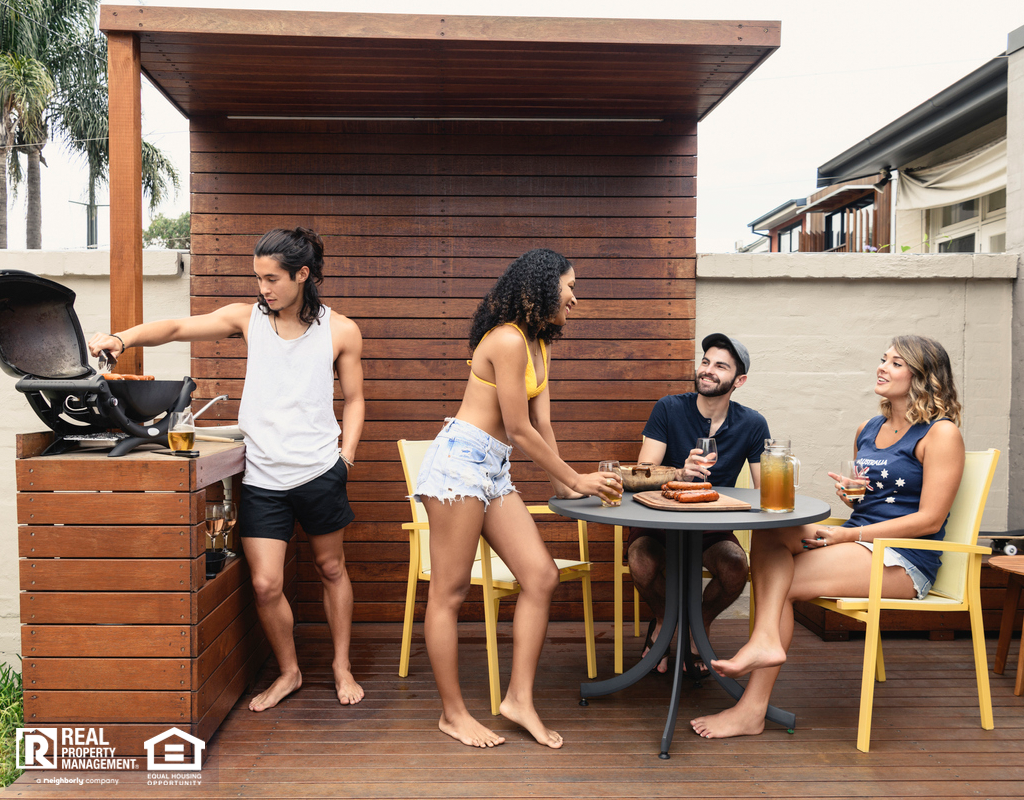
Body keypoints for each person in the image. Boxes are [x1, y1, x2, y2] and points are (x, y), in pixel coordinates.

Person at [87, 227, 366, 712]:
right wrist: (120, 338)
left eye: (272, 278)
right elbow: (176, 328)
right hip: (262, 477)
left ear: (302, 275)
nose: (264, 288)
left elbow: (356, 398)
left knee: (331, 567)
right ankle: (290, 672)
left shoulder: (341, 330)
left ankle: (341, 665)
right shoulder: (247, 318)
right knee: (265, 584)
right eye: (258, 278)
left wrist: (348, 457)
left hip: (321, 470)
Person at [691, 334, 965, 739]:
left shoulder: (940, 434)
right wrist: (853, 498)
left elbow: (928, 519)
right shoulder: (868, 428)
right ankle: (766, 643)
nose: (882, 367)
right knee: (771, 532)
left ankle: (752, 708)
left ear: (923, 375)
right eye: (883, 358)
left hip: (904, 559)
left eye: (895, 363)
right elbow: (876, 502)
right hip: (860, 539)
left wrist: (845, 537)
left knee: (777, 583)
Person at [414, 248, 621, 750]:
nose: (576, 296)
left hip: (493, 469)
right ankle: (453, 714)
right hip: (460, 465)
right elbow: (517, 428)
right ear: (542, 287)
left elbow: (542, 424)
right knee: (450, 591)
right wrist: (580, 478)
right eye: (570, 286)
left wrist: (563, 489)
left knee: (541, 576)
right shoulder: (506, 339)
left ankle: (519, 700)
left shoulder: (538, 343)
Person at [629, 333, 770, 676]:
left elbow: (764, 489)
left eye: (720, 365)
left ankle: (698, 625)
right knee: (641, 561)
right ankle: (664, 619)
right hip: (658, 523)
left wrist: (779, 474)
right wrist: (679, 471)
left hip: (711, 527)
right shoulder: (669, 407)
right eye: (705, 361)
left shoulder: (752, 423)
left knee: (737, 566)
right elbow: (642, 472)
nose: (707, 370)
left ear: (740, 380)